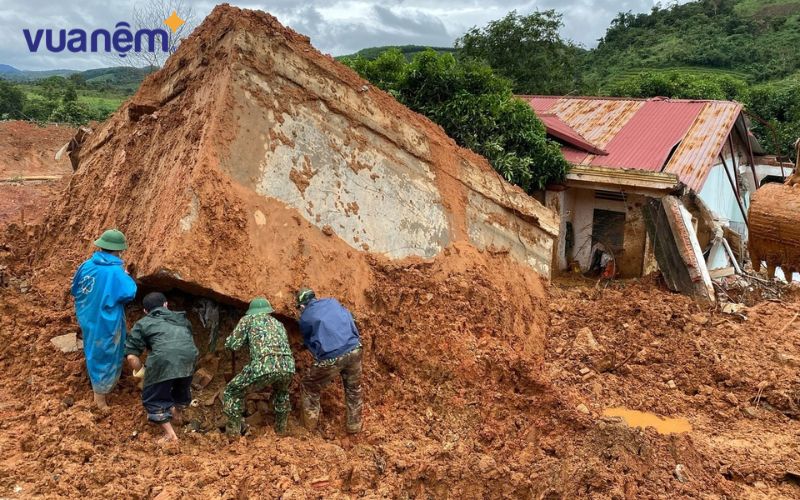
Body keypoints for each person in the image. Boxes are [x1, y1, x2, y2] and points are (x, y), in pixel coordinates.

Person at [70, 229, 137, 409]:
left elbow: (74, 289)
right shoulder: (115, 272)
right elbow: (129, 292)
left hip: (86, 315)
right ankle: (99, 399)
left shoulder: (86, 265)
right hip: (105, 319)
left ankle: (103, 384)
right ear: (118, 250)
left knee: (93, 347)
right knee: (105, 352)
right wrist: (126, 276)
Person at [125, 292, 199, 442]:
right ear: (166, 304)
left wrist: (143, 373)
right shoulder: (182, 319)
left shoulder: (143, 323)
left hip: (163, 359)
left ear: (145, 311)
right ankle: (177, 414)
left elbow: (132, 356)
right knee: (181, 387)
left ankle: (171, 436)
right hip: (189, 357)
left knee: (153, 399)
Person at [222, 297, 295, 436]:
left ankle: (233, 435)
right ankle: (281, 431)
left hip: (264, 365)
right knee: (281, 392)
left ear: (251, 311)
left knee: (232, 391)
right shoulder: (278, 323)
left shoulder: (248, 320)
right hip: (288, 366)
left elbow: (232, 344)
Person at [296, 288, 363, 434]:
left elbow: (308, 340)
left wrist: (318, 355)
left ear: (302, 306)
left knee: (309, 386)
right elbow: (349, 317)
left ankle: (309, 429)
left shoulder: (305, 317)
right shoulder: (332, 302)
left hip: (332, 356)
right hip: (354, 348)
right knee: (353, 388)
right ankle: (354, 426)